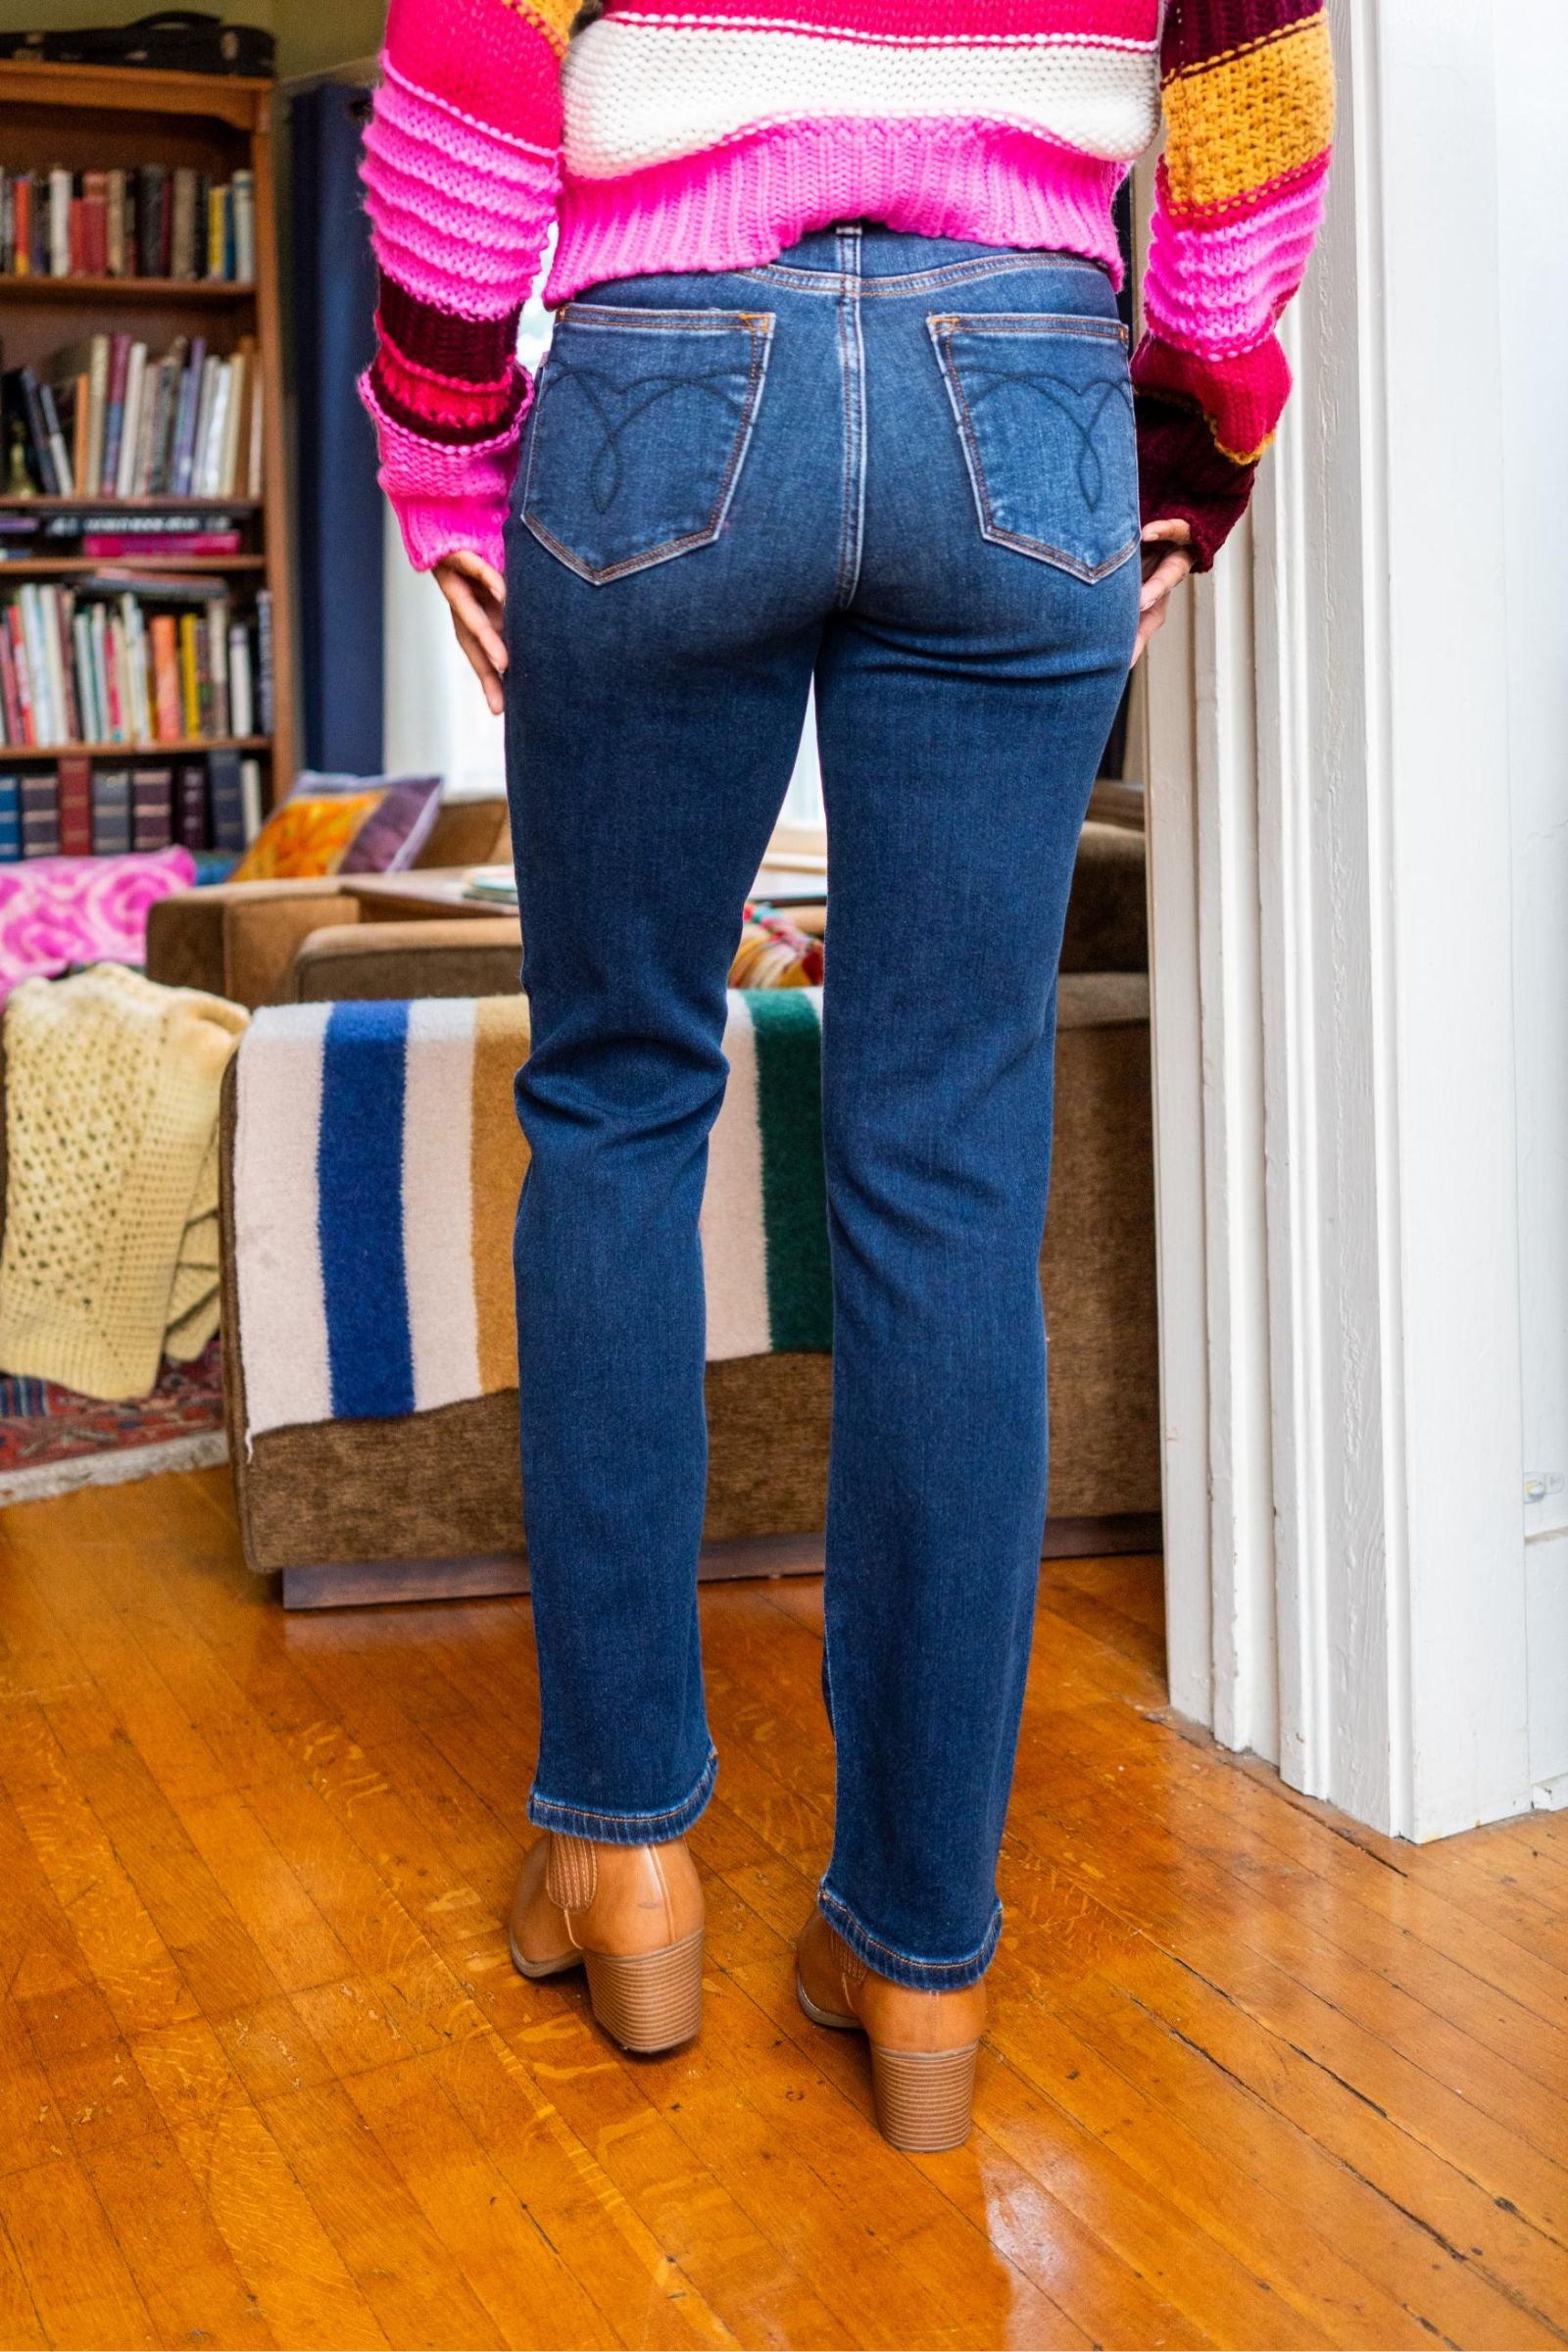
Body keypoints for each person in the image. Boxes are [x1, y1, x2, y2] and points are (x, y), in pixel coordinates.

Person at [359, 0, 1333, 2149]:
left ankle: (619, 1855)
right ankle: (920, 1955)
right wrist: (1197, 431)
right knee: (949, 1171)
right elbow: (1246, 77)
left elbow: (468, 42)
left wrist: (442, 429)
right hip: (1026, 386)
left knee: (616, 1099)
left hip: (669, 369)